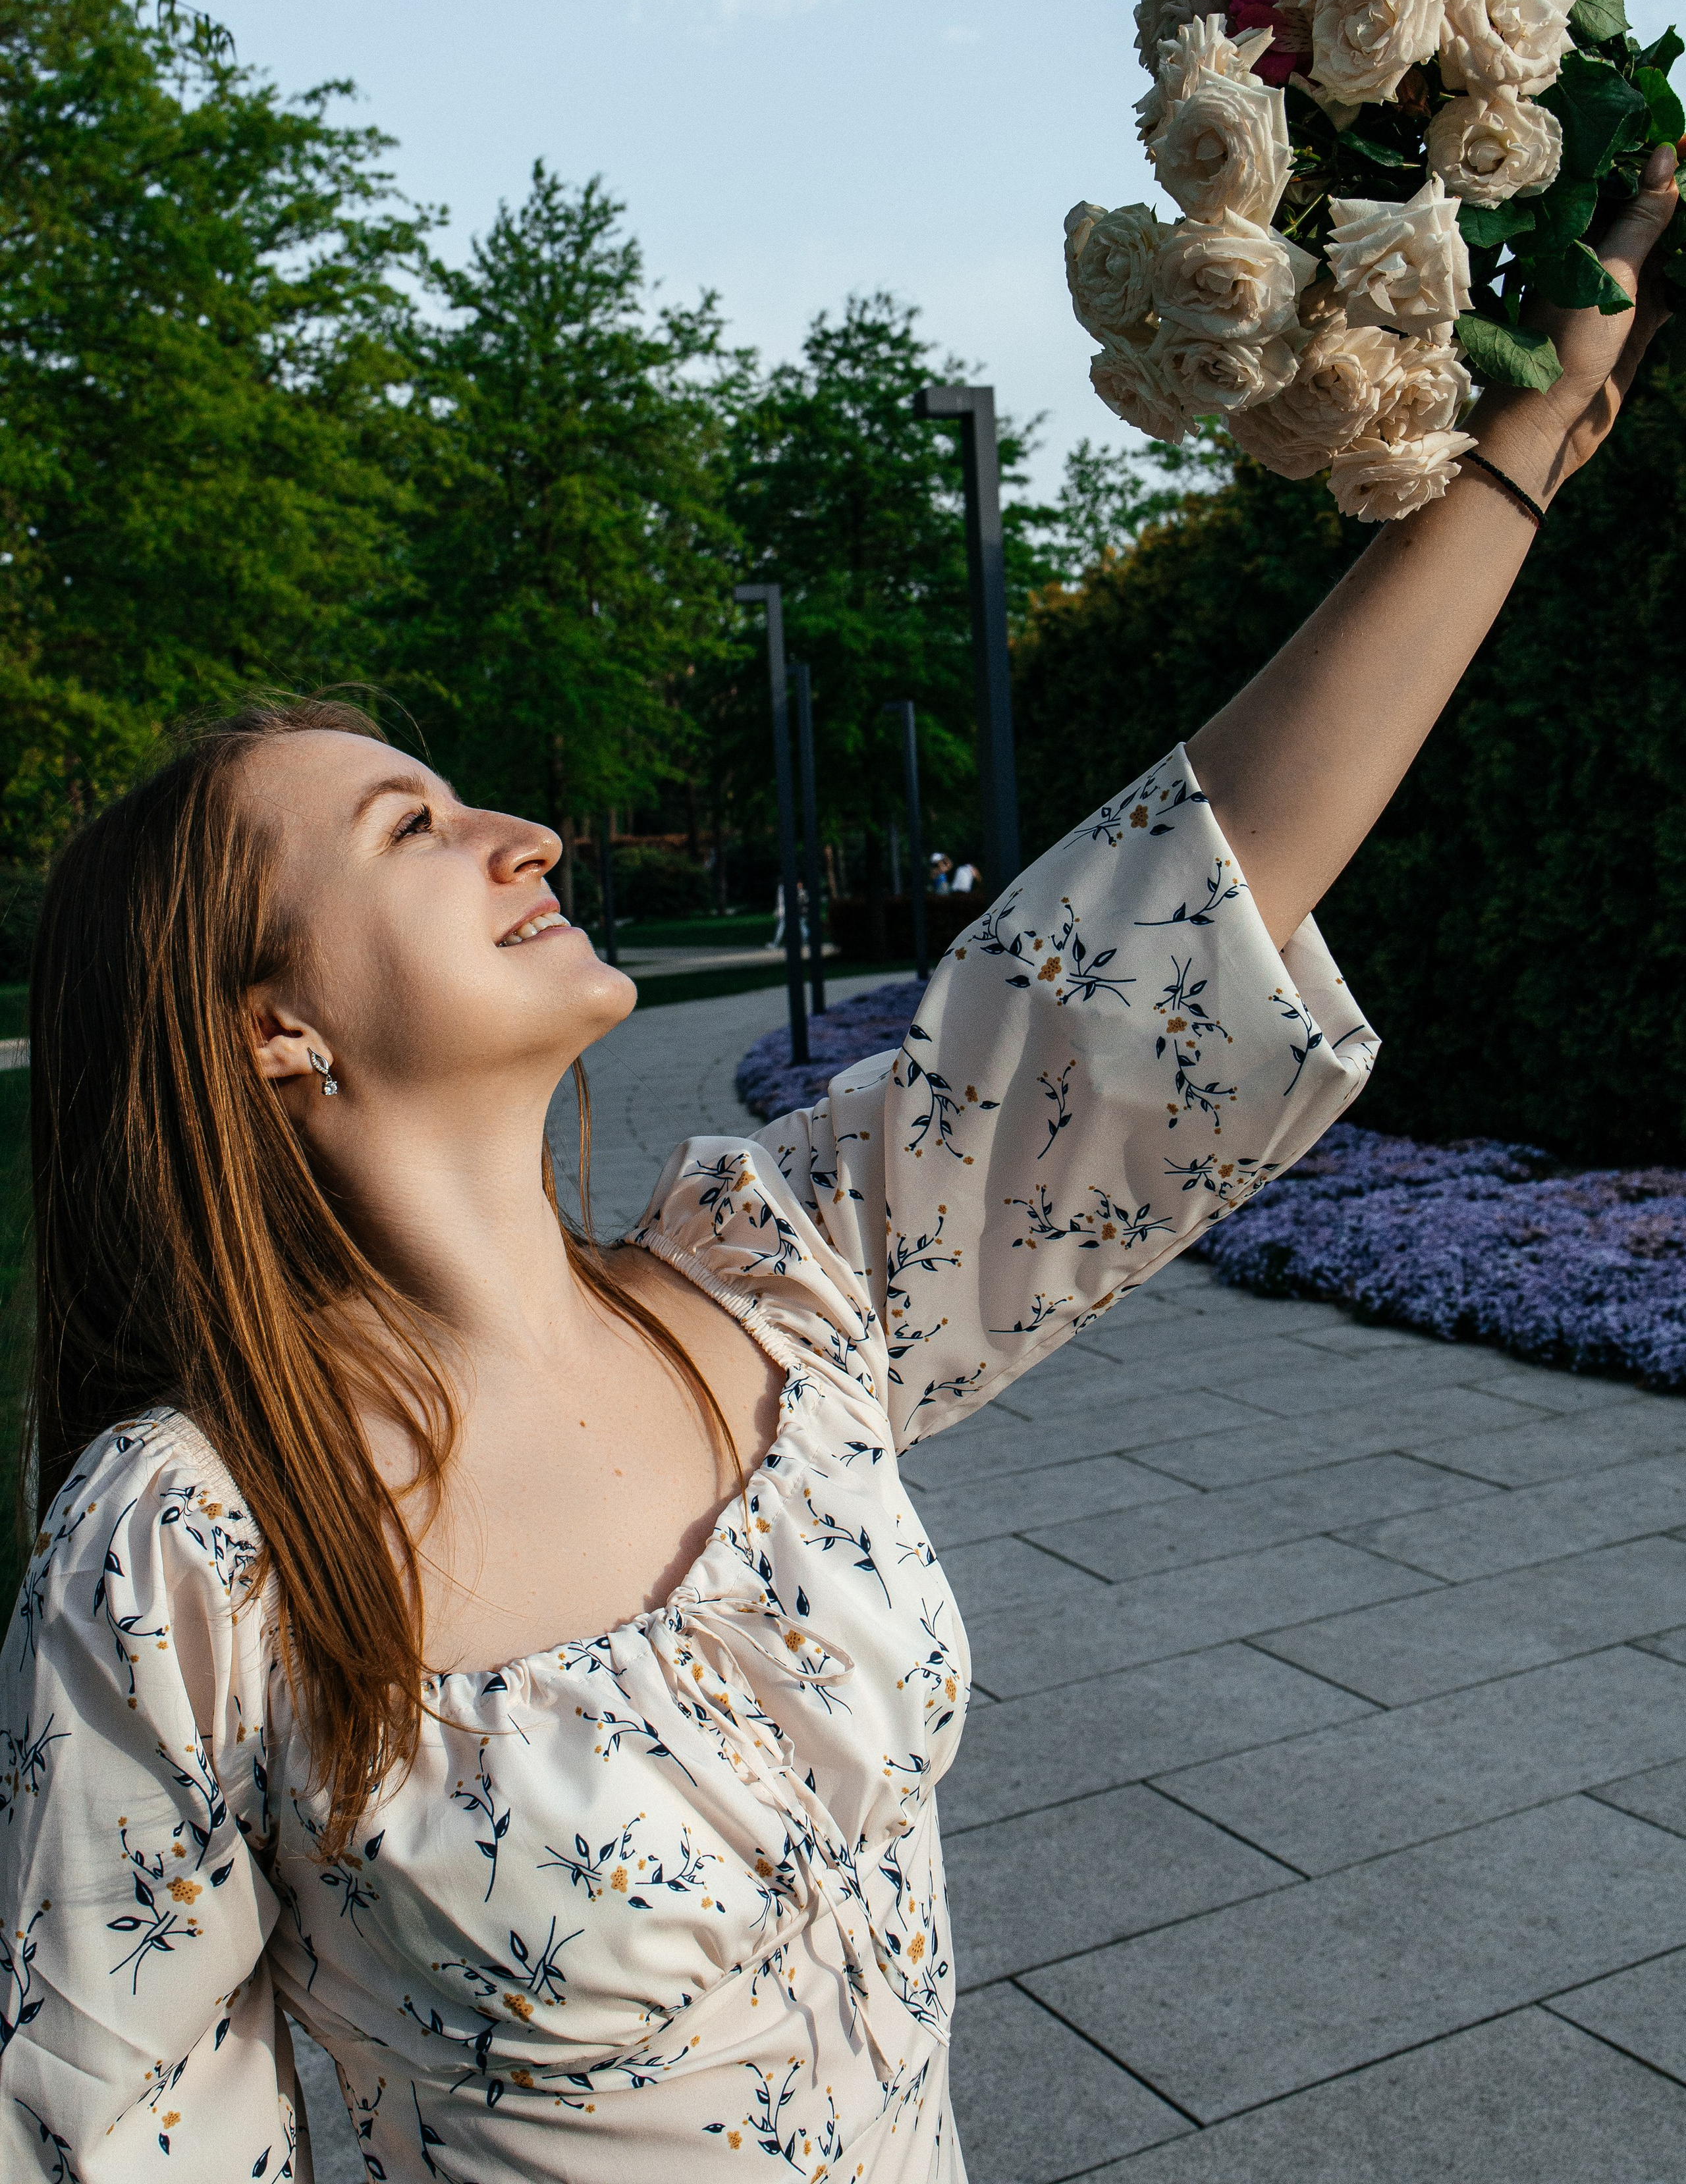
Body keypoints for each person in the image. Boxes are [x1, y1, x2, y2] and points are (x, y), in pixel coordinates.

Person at [2, 150, 1677, 2183]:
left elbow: (1167, 914)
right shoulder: (192, 1548)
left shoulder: (775, 1281)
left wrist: (1509, 452)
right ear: (271, 1028)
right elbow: (122, 2137)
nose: (518, 829)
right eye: (406, 831)